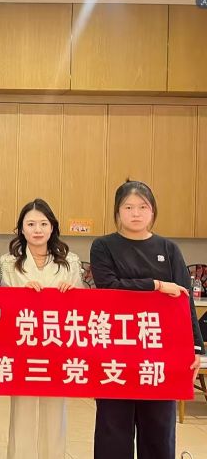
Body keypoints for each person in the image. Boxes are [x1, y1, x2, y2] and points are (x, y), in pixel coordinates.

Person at [90, 180, 203, 459]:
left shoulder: (169, 248)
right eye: (128, 207)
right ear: (117, 211)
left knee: (159, 430)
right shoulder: (103, 246)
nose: (136, 213)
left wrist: (195, 348)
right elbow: (109, 287)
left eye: (143, 207)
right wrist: (156, 285)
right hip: (116, 349)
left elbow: (184, 300)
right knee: (112, 429)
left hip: (160, 352)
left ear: (153, 211)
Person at [0, 199, 83, 459]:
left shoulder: (70, 261)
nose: (37, 230)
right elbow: (0, 305)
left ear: (52, 227)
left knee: (55, 411)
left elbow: (82, 307)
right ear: (21, 229)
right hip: (23, 345)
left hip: (57, 345)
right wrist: (20, 295)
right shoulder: (8, 262)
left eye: (43, 224)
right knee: (21, 410)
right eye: (31, 224)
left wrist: (72, 293)